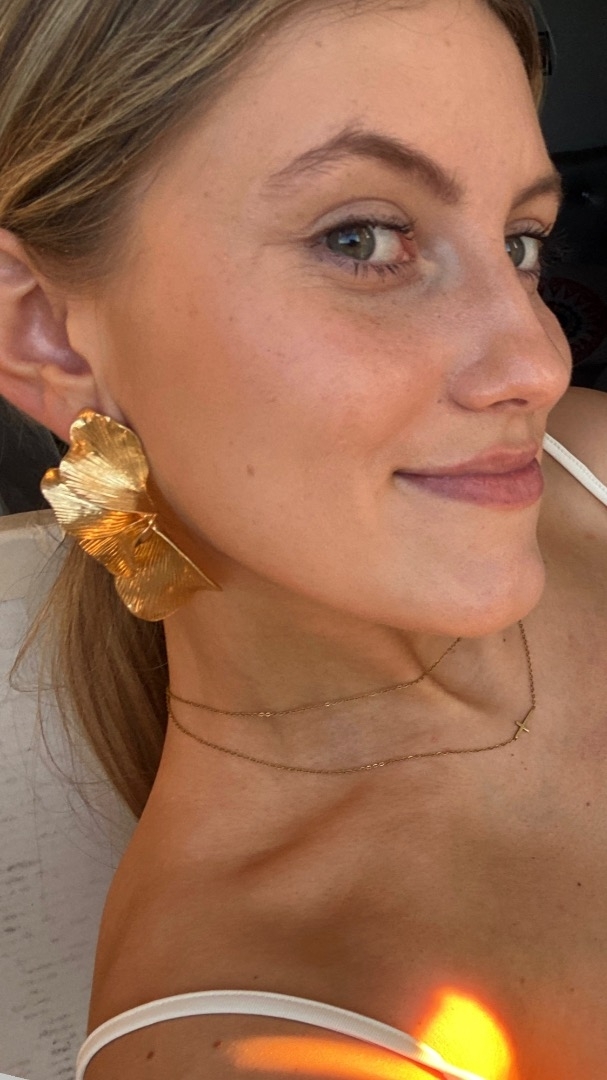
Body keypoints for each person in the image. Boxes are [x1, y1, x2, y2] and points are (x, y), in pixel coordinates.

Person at [0, 0, 606, 1077]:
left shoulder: (588, 466)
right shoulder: (254, 1040)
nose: (537, 363)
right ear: (47, 334)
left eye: (519, 243)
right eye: (360, 239)